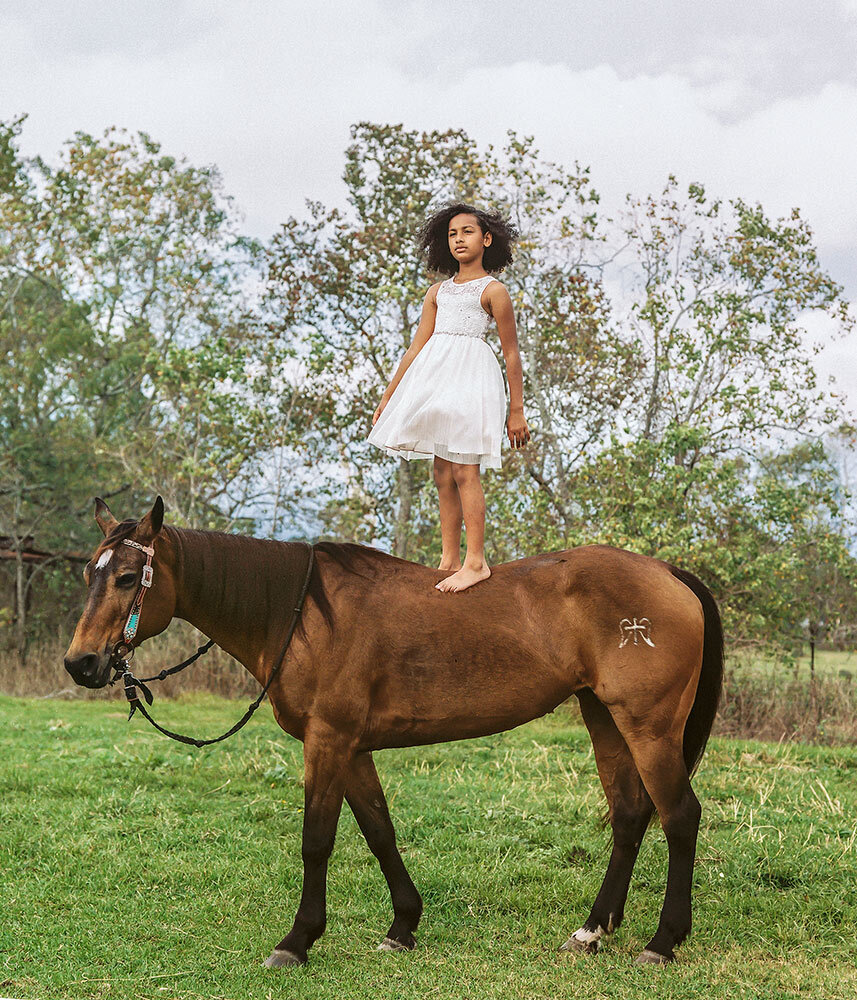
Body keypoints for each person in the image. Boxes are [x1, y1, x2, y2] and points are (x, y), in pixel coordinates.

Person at [367, 202, 530, 592]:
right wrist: (389, 397)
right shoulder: (437, 292)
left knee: (464, 469)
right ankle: (449, 557)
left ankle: (476, 561)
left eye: (468, 232)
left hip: (472, 379)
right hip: (436, 380)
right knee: (441, 471)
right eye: (453, 234)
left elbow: (511, 353)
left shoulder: (494, 291)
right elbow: (415, 347)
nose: (459, 239)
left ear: (487, 239)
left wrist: (517, 411)